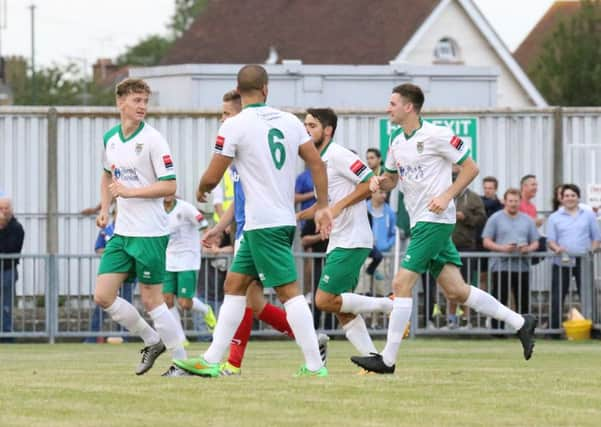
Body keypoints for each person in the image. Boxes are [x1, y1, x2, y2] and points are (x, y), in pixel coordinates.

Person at [351, 84, 537, 374]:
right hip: (421, 221)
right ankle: (521, 323)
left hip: (434, 221)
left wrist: (447, 195)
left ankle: (387, 359)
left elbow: (471, 168)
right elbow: (390, 179)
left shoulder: (436, 135)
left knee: (401, 284)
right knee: (457, 291)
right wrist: (378, 182)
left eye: (393, 103)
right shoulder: (396, 141)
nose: (388, 108)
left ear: (408, 107)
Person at [174, 65, 332, 378]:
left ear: (239, 88)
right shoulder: (289, 121)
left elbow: (213, 174)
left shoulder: (234, 125)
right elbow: (316, 163)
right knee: (234, 285)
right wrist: (323, 205)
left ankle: (315, 365)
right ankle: (211, 358)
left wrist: (202, 188)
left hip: (264, 223)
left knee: (288, 292)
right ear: (266, 88)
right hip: (274, 220)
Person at [93, 78, 187, 376]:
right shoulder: (110, 137)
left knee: (152, 299)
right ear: (121, 102)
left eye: (145, 101)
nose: (142, 106)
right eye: (137, 100)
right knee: (103, 295)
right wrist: (105, 209)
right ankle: (151, 340)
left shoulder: (154, 140)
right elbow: (108, 176)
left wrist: (131, 193)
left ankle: (183, 362)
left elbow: (171, 185)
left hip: (150, 233)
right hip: (122, 233)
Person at [298, 108, 393, 363]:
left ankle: (389, 305)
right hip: (339, 239)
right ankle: (374, 359)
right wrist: (294, 217)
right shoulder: (318, 161)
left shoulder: (338, 154)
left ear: (328, 130)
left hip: (353, 239)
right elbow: (323, 205)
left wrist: (337, 208)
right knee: (342, 309)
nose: (306, 130)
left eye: (312, 125)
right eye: (304, 125)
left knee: (323, 299)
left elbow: (369, 181)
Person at [162, 195, 217, 348]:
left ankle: (206, 310)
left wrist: (209, 242)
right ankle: (180, 338)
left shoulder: (185, 207)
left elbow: (203, 223)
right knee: (167, 300)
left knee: (185, 303)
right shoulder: (157, 210)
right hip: (168, 260)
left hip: (187, 259)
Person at [482, 189, 540, 329]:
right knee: (499, 300)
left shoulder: (527, 220)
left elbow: (536, 242)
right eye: (510, 201)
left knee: (523, 301)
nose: (513, 204)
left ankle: (525, 330)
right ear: (505, 201)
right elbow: (486, 241)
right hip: (500, 266)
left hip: (522, 266)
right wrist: (503, 248)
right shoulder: (495, 218)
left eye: (516, 201)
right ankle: (497, 330)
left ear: (520, 201)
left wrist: (527, 249)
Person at [546, 184, 601, 330]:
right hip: (561, 262)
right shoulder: (554, 217)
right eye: (567, 196)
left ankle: (593, 327)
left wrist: (591, 250)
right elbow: (550, 240)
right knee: (558, 296)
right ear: (562, 199)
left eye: (573, 195)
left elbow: (596, 237)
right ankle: (554, 329)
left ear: (578, 198)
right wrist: (557, 248)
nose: (570, 198)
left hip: (583, 262)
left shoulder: (589, 215)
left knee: (588, 295)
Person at [84, 207, 136, 344]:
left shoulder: (133, 230)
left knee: (126, 304)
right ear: (114, 215)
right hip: (111, 274)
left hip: (128, 275)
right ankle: (91, 338)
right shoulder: (106, 231)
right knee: (102, 304)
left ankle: (124, 336)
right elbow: (98, 248)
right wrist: (115, 255)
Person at [446, 165, 487, 328]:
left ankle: (466, 319)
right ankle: (451, 319)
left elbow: (482, 219)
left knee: (466, 284)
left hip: (467, 247)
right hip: (448, 246)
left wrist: (466, 217)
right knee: (449, 285)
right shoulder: (447, 196)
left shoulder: (474, 198)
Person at [0, 195, 25, 338]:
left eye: (6, 208)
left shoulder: (16, 228)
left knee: (6, 306)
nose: (3, 211)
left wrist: (2, 229)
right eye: (1, 208)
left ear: (11, 209)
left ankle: (7, 336)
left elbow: (11, 249)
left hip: (7, 271)